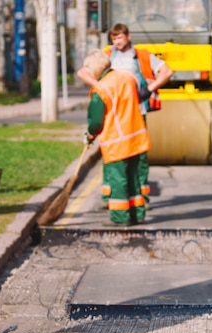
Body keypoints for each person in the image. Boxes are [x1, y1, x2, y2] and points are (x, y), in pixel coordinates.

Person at [77, 22, 173, 209]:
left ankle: (140, 198)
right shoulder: (107, 54)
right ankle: (111, 197)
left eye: (120, 38)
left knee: (138, 155)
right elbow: (83, 71)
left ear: (128, 36)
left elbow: (167, 71)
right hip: (113, 114)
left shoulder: (142, 56)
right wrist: (99, 86)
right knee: (111, 154)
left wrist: (149, 89)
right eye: (114, 38)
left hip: (136, 111)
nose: (117, 42)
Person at [83, 49, 151, 226]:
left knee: (118, 179)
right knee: (134, 176)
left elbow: (96, 120)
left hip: (117, 141)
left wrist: (90, 135)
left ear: (95, 70)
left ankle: (120, 218)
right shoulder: (127, 78)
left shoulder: (101, 88)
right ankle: (137, 214)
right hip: (136, 136)